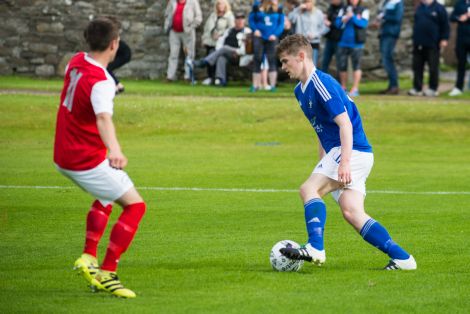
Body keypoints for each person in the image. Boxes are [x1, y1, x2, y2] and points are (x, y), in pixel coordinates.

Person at [276, 34, 417, 270]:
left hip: (352, 151)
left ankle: (315, 248)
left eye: (285, 61)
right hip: (347, 153)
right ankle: (404, 259)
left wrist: (344, 163)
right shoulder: (300, 91)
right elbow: (322, 129)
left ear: (301, 56)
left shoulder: (322, 83)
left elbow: (345, 125)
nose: (283, 67)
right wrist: (324, 161)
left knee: (308, 189)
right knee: (352, 212)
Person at [53, 17, 147, 298]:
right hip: (84, 159)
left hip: (64, 153)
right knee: (135, 206)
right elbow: (104, 118)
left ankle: (88, 256)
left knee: (107, 196)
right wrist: (115, 150)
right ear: (115, 44)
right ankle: (108, 272)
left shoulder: (76, 61)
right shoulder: (102, 82)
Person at [192, 12, 252, 86]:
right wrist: (219, 51)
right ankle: (221, 80)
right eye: (238, 19)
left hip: (239, 54)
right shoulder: (229, 31)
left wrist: (238, 52)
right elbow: (220, 42)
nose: (240, 21)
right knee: (221, 57)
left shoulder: (247, 32)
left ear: (244, 21)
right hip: (227, 54)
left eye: (241, 19)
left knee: (225, 48)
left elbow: (247, 48)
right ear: (235, 21)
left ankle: (204, 62)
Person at [408, 0, 449, 97]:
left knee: (433, 67)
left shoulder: (439, 8)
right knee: (417, 66)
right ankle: (417, 88)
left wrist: (444, 39)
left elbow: (445, 25)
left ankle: (432, 88)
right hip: (418, 42)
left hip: (433, 43)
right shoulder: (420, 7)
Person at [335, 0, 369, 97]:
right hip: (343, 42)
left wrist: (352, 17)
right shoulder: (344, 9)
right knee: (342, 66)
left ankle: (355, 88)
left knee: (356, 66)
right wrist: (343, 19)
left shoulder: (364, 10)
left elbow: (363, 24)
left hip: (357, 44)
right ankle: (343, 87)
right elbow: (337, 23)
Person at [249, 0, 285, 92]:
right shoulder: (257, 6)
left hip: (272, 38)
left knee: (272, 60)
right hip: (259, 36)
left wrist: (275, 34)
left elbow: (281, 24)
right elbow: (251, 19)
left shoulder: (279, 8)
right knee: (257, 59)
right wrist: (255, 30)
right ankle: (255, 85)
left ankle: (272, 86)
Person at [164, 0, 202, 82]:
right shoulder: (172, 2)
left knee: (189, 54)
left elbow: (198, 18)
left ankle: (188, 76)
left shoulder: (193, 2)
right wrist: (167, 26)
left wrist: (191, 27)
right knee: (173, 54)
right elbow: (167, 14)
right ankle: (170, 76)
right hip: (174, 31)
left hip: (187, 32)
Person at [373, 0, 404, 95]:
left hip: (391, 34)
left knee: (387, 59)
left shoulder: (398, 2)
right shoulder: (386, 2)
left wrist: (383, 16)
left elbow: (397, 18)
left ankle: (394, 86)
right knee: (386, 59)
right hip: (384, 33)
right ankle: (392, 86)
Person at [201, 0, 234, 85]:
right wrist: (205, 39)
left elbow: (231, 30)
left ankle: (218, 77)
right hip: (211, 41)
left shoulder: (229, 16)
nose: (220, 6)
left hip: (222, 42)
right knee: (209, 55)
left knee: (218, 58)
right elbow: (207, 28)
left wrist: (220, 35)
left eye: (222, 4)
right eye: (219, 4)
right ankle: (210, 77)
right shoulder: (213, 15)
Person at [288, 0, 324, 66]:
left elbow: (323, 27)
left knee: (312, 65)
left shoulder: (318, 13)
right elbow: (290, 18)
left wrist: (315, 35)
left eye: (308, 2)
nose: (306, 4)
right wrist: (298, 9)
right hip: (301, 42)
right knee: (301, 65)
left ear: (312, 2)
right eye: (305, 2)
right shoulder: (299, 12)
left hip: (314, 42)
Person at [448, 0, 470, 96]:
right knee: (461, 64)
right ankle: (458, 87)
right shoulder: (460, 3)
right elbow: (452, 17)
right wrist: (460, 18)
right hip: (462, 39)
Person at [321, 0, 344, 75]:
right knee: (325, 62)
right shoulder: (331, 8)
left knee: (339, 63)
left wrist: (330, 23)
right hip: (329, 38)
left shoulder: (343, 8)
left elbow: (339, 24)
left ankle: (339, 84)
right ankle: (322, 83)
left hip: (339, 40)